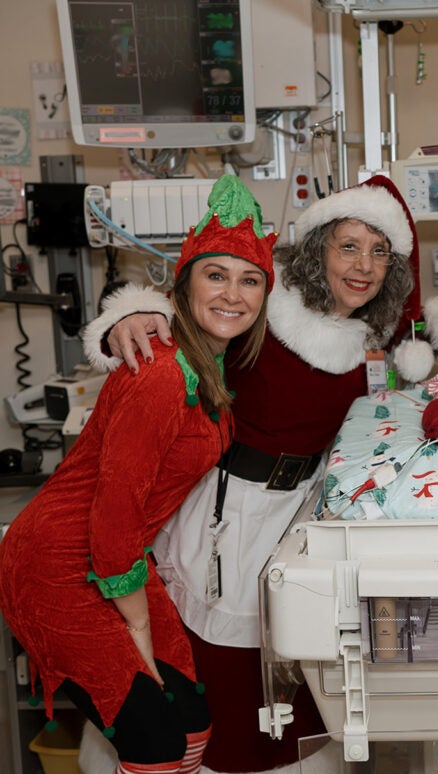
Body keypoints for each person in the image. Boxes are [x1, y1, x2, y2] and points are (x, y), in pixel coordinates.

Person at [79, 176, 438, 774]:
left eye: (380, 251)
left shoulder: (377, 329)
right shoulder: (263, 307)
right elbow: (193, 312)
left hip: (308, 516)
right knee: (216, 679)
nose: (364, 266)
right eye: (349, 246)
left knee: (296, 684)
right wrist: (132, 319)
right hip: (227, 513)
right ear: (317, 248)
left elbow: (428, 320)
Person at [0, 174, 275, 774]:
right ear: (184, 284)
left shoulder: (209, 368)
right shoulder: (160, 375)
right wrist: (140, 628)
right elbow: (117, 510)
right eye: (216, 275)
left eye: (250, 280)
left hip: (115, 558)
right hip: (57, 565)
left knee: (195, 725)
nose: (233, 294)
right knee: (155, 742)